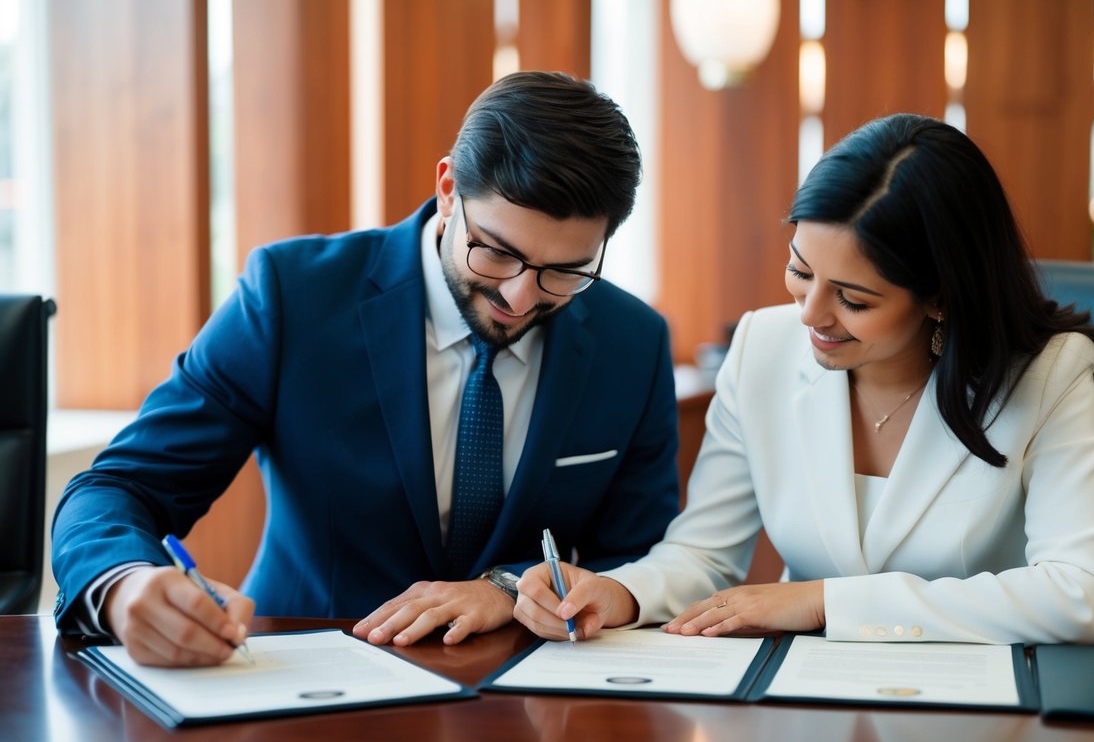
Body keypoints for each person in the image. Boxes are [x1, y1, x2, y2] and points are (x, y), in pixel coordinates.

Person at [51, 71, 681, 666]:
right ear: (447, 188)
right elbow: (121, 488)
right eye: (495, 251)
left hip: (527, 707)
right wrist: (125, 586)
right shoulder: (292, 297)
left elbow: (638, 561)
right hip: (300, 684)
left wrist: (510, 589)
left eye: (564, 272)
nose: (518, 298)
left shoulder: (634, 343)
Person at [516, 113, 1094, 646]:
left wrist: (822, 601)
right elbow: (704, 554)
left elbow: (1080, 594)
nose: (809, 315)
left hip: (974, 727)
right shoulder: (763, 347)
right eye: (799, 271)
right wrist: (617, 593)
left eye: (853, 300)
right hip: (805, 711)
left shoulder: (1048, 373)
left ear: (939, 296)